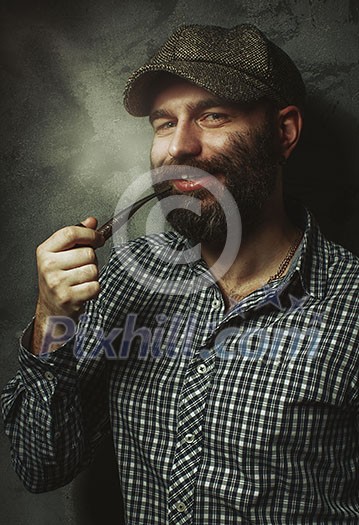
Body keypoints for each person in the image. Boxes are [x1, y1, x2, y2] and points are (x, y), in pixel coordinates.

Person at [2, 23, 359, 524]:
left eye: (213, 116)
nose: (179, 147)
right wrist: (50, 321)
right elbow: (41, 466)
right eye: (163, 123)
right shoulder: (129, 276)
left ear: (284, 132)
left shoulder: (350, 306)